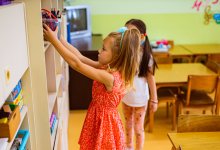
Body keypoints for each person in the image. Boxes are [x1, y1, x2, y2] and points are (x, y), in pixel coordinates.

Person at [43, 24, 141, 149]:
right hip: (99, 118)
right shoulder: (108, 68)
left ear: (116, 56)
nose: (99, 51)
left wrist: (54, 41)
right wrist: (60, 38)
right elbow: (80, 57)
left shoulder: (109, 77)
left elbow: (77, 64)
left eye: (104, 49)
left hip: (104, 123)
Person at [121, 19, 158, 150]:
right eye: (126, 32)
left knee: (138, 129)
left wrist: (154, 99)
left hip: (141, 100)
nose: (128, 36)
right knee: (128, 125)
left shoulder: (146, 56)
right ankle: (129, 146)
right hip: (126, 98)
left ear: (142, 36)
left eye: (132, 32)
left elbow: (151, 78)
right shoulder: (125, 53)